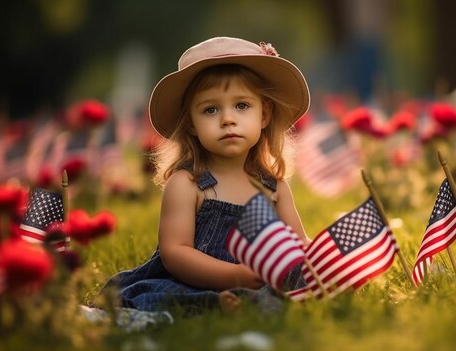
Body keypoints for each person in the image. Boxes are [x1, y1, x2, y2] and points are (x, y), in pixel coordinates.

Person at [102, 37, 312, 314]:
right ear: (191, 123)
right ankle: (215, 303)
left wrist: (319, 260)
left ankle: (243, 303)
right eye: (211, 110)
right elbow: (175, 254)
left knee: (293, 290)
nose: (227, 119)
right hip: (191, 282)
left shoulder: (274, 187)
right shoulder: (187, 183)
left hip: (260, 281)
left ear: (264, 115)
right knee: (167, 297)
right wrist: (236, 275)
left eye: (241, 106)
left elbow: (298, 246)